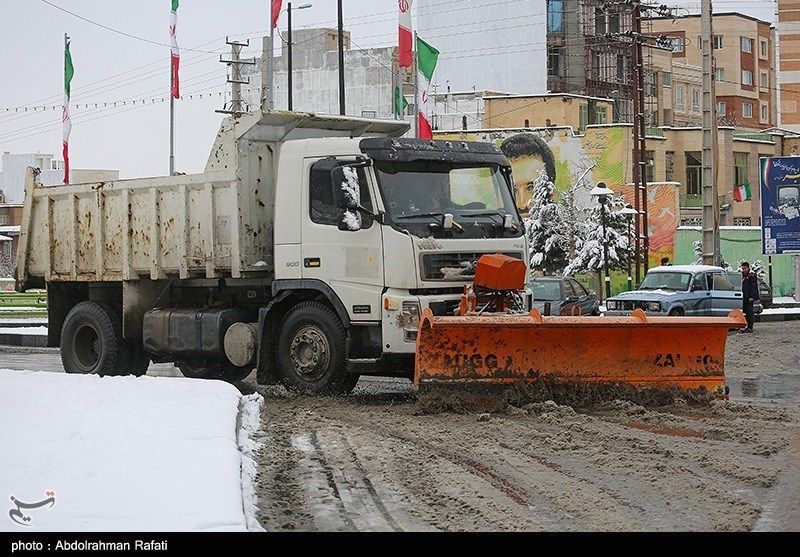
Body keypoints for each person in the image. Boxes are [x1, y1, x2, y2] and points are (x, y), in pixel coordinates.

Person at [740, 261, 760, 333]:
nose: (743, 270)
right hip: (744, 296)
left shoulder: (751, 276)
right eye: (742, 268)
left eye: (745, 268)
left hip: (749, 297)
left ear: (748, 268)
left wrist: (751, 296)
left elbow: (753, 287)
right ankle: (747, 326)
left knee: (749, 312)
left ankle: (750, 327)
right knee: (746, 312)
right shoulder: (743, 275)